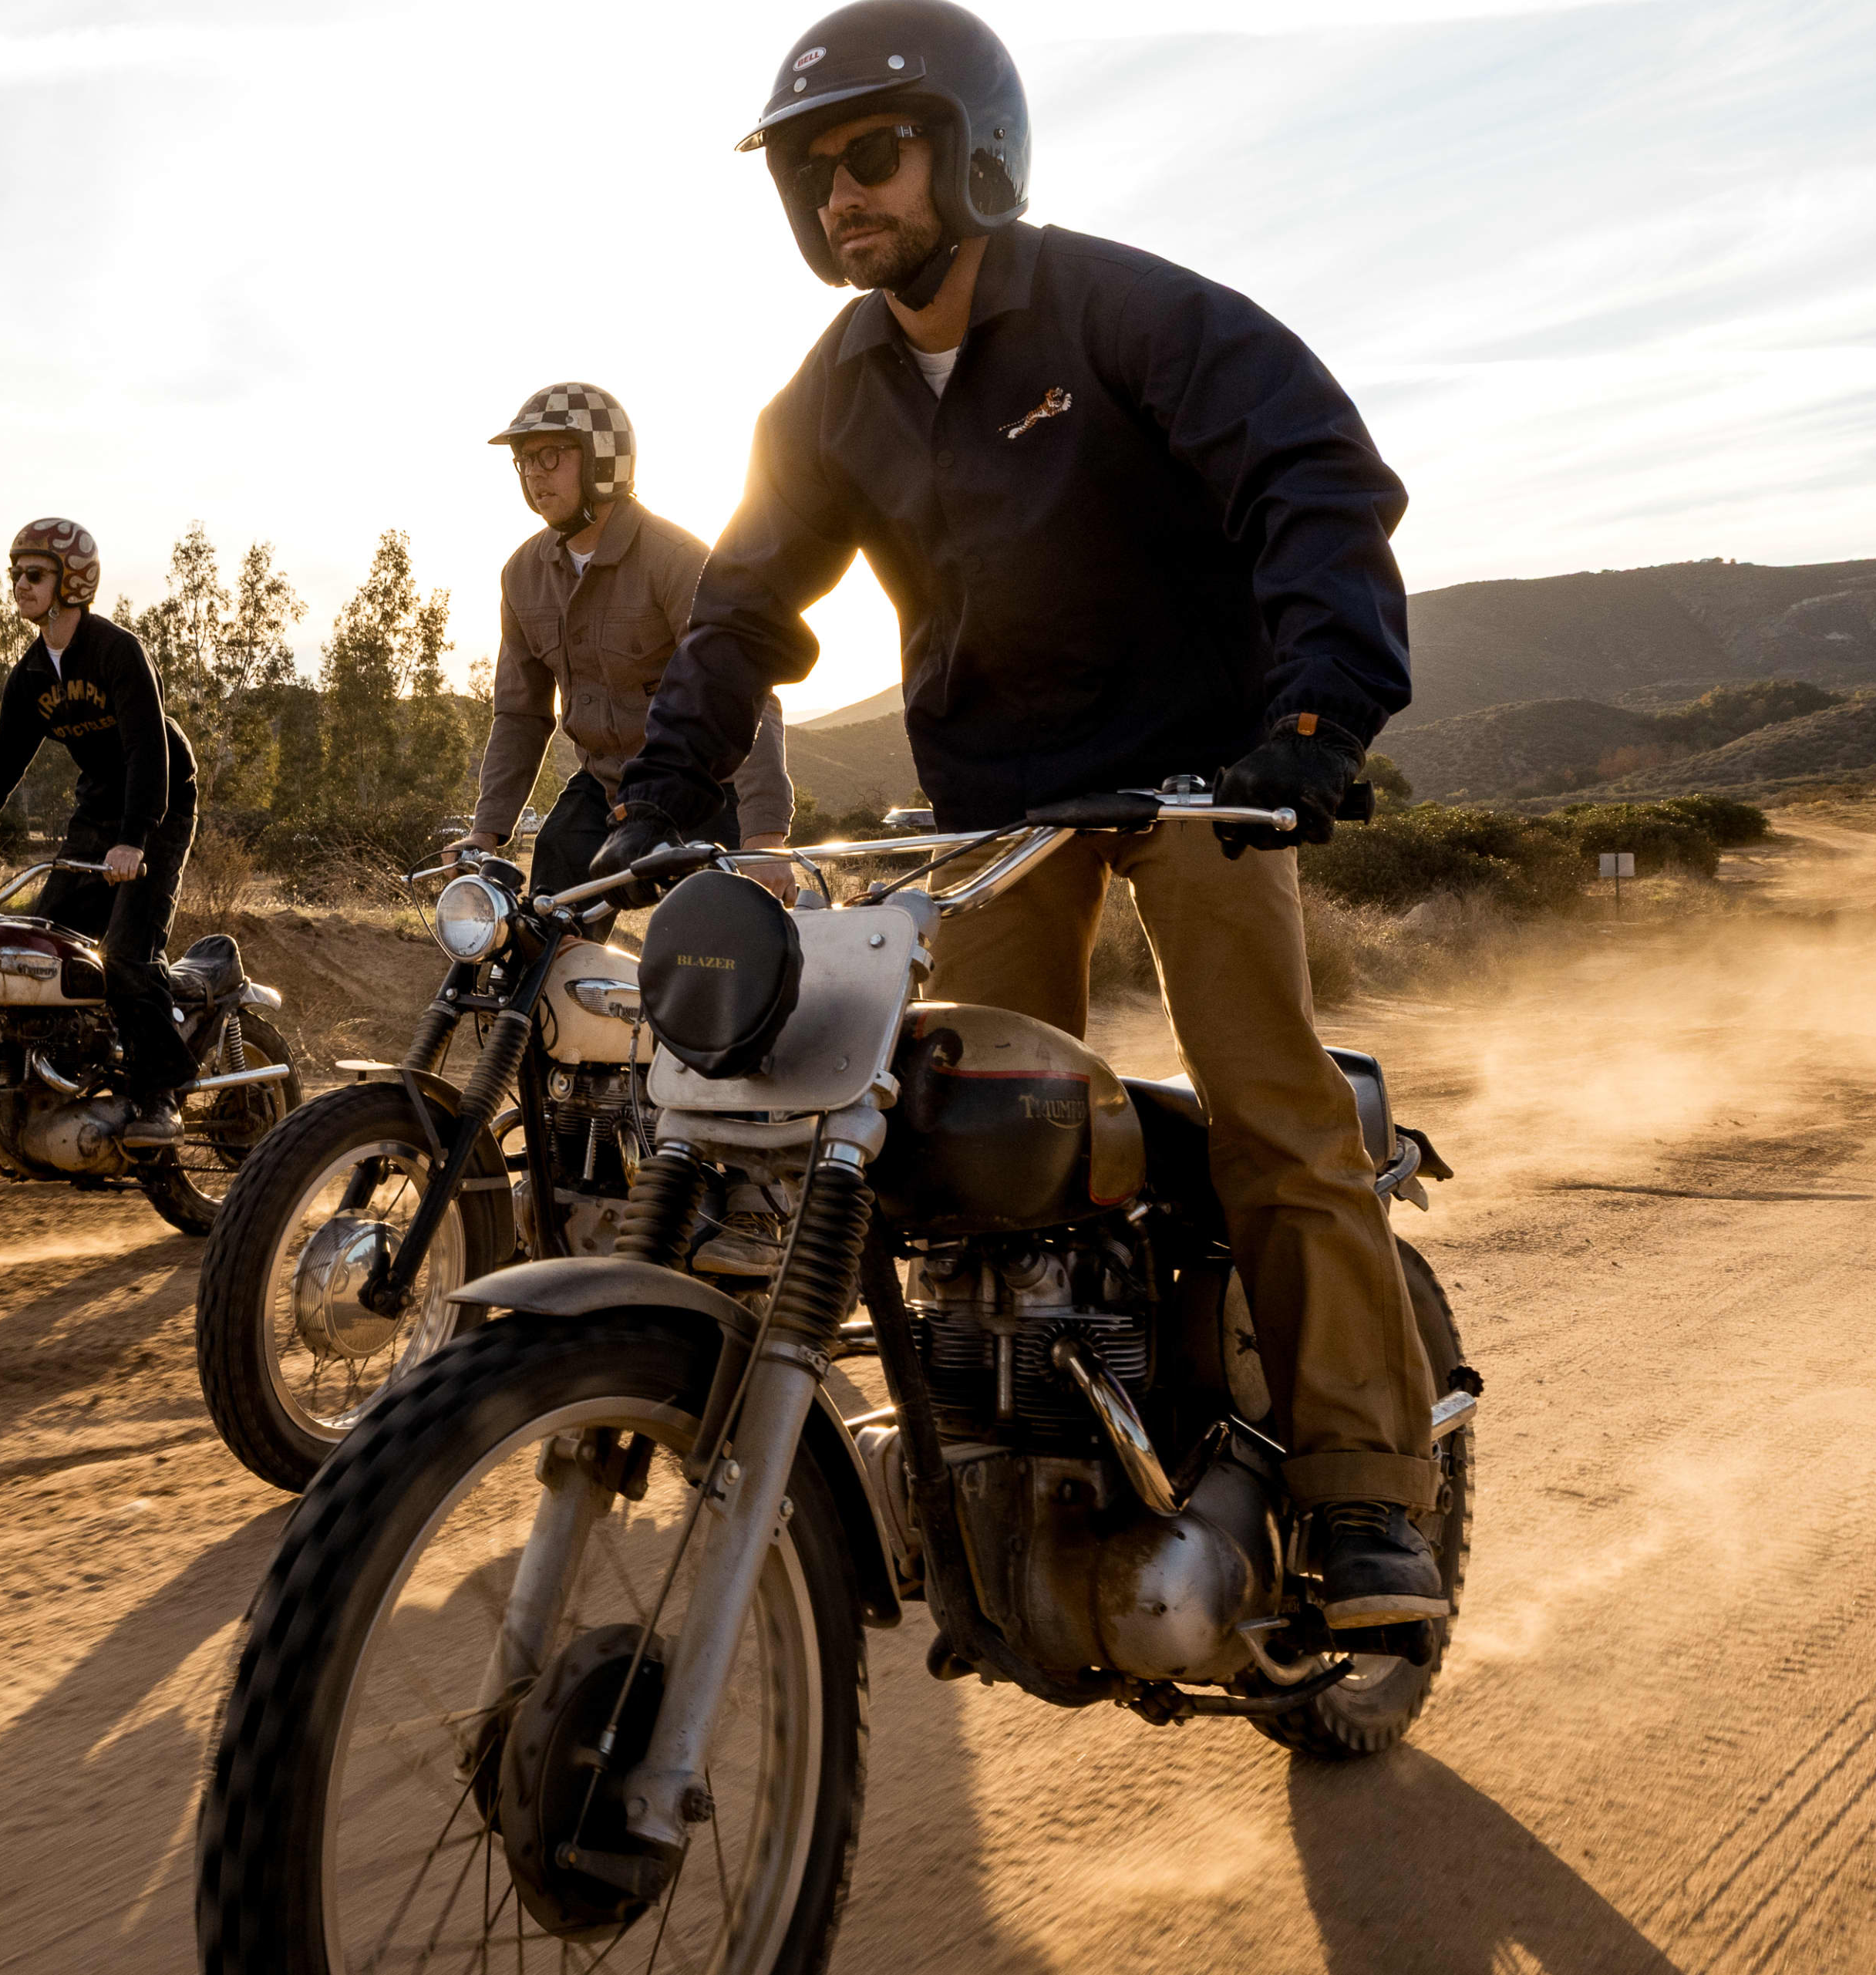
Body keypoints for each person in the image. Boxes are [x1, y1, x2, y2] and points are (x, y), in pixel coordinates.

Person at [593, 0, 1444, 1625]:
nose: (841, 193)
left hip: (1203, 776)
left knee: (1271, 1109)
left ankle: (1362, 1493)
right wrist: (664, 790)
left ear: (973, 151)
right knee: (961, 1140)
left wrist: (1315, 720)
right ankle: (1030, 1440)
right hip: (998, 801)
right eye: (810, 171)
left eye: (872, 153)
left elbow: (1313, 475)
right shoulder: (833, 391)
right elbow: (746, 604)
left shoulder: (1123, 309)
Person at [460, 383, 797, 897]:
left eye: (550, 455)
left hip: (703, 790)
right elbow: (519, 715)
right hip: (604, 788)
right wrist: (486, 830)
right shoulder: (521, 575)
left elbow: (744, 690)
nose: (533, 472)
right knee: (543, 918)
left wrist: (765, 836)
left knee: (718, 945)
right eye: (524, 460)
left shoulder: (678, 560)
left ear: (603, 461)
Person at [0, 518, 198, 1148]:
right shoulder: (30, 676)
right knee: (42, 946)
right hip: (101, 803)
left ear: (71, 582)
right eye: (15, 574)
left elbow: (146, 752)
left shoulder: (116, 650)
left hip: (159, 799)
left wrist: (134, 840)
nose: (20, 584)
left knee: (129, 951)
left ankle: (159, 1097)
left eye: (35, 574)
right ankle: (43, 1090)